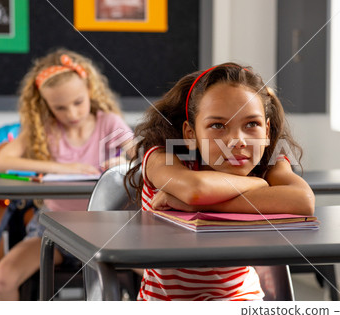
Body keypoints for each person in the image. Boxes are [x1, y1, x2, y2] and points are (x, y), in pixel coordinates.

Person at [125, 62, 315, 301]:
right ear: (191, 134)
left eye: (251, 124)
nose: (237, 141)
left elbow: (303, 200)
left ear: (267, 131)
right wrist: (257, 184)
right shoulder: (162, 157)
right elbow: (195, 189)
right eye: (217, 125)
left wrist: (199, 206)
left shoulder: (269, 162)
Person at [0, 49, 133, 300]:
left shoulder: (108, 122)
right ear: (46, 105)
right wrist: (65, 168)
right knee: (2, 277)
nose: (72, 114)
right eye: (60, 108)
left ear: (89, 89)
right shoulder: (44, 128)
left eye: (78, 102)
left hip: (107, 231)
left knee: (162, 268)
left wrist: (123, 163)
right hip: (54, 232)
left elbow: (144, 158)